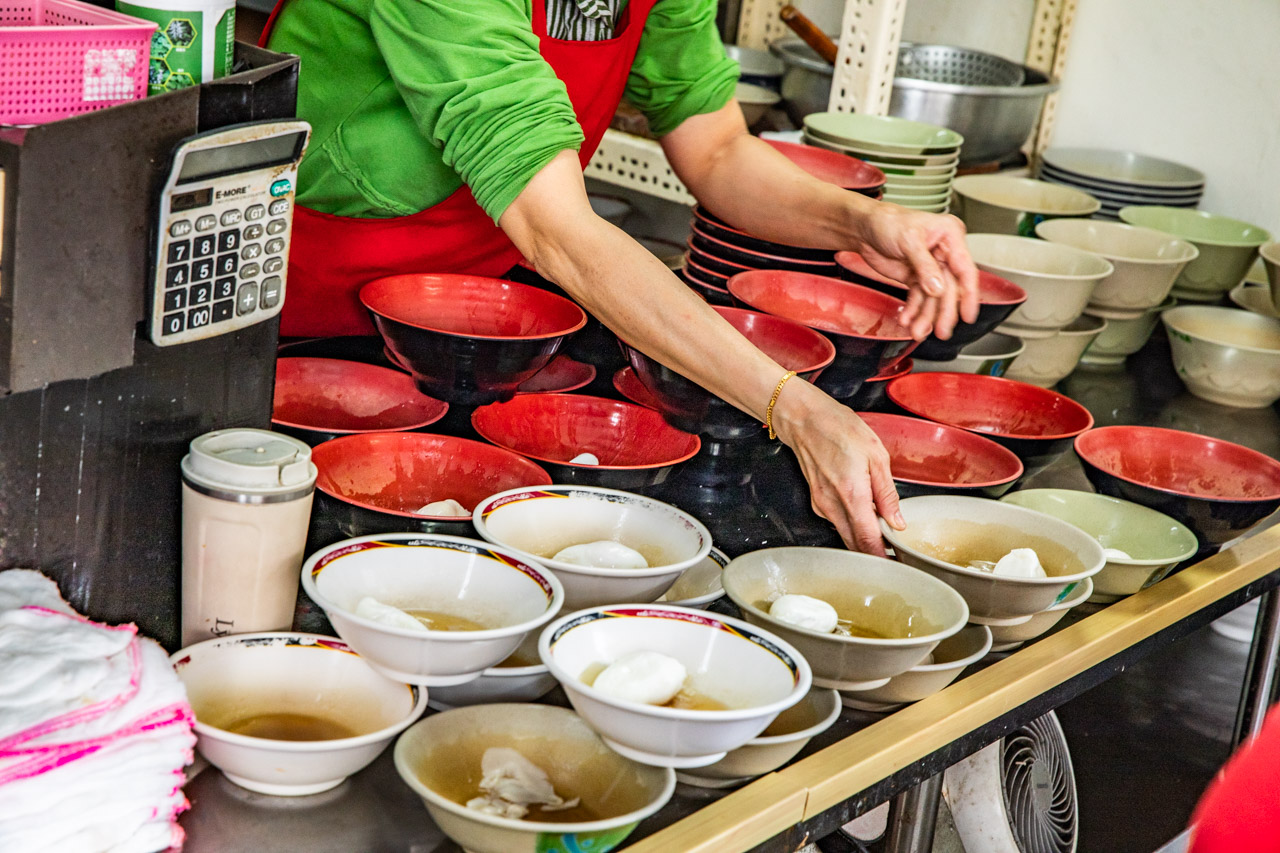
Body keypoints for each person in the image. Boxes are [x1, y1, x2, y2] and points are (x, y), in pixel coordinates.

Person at [261, 0, 980, 556]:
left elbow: (717, 149)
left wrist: (863, 223)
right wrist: (794, 408)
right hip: (302, 318)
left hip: (478, 322)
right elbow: (559, 230)